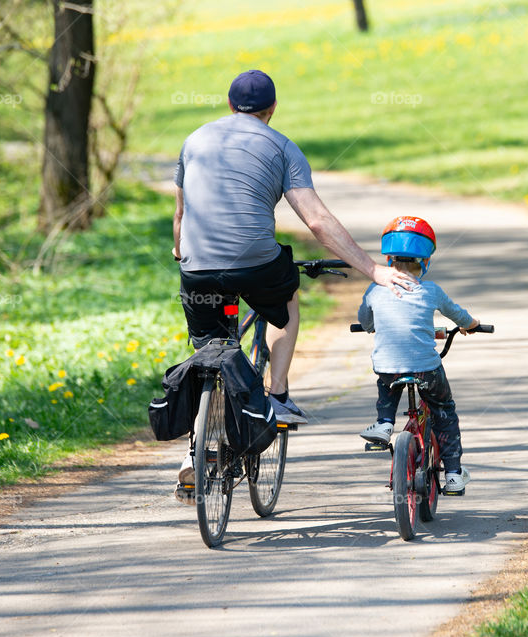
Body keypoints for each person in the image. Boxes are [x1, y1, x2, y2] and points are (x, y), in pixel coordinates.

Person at [172, 70, 415, 499]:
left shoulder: (193, 141)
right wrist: (372, 269)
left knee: (208, 350)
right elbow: (317, 221)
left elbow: (181, 214)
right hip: (254, 265)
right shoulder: (283, 146)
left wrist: (181, 253)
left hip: (196, 267)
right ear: (272, 110)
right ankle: (279, 393)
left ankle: (194, 455)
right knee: (285, 298)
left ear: (229, 106)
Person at [356, 216, 479, 494]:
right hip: (426, 369)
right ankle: (454, 475)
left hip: (388, 368)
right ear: (425, 261)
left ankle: (385, 424)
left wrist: (375, 323)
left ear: (389, 259)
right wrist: (471, 325)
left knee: (386, 384)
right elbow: (457, 314)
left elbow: (365, 321)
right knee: (444, 410)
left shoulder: (375, 289)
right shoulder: (431, 291)